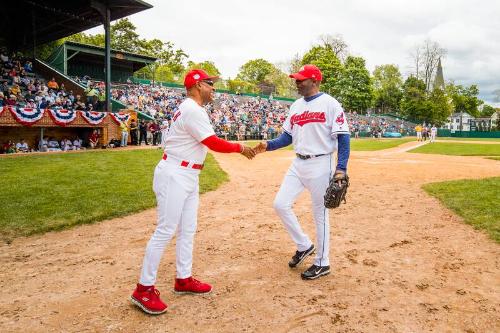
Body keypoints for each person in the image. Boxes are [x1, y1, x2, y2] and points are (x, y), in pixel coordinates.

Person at [130, 69, 256, 315]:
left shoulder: (193, 109)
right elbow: (213, 142)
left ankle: (183, 278)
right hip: (175, 173)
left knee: (187, 229)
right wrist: (241, 147)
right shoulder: (191, 109)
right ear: (198, 86)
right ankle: (143, 289)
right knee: (165, 229)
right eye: (210, 84)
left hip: (188, 173)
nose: (213, 88)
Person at [254, 64, 351, 280]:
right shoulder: (296, 106)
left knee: (320, 214)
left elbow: (344, 137)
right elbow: (287, 137)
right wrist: (267, 145)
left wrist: (341, 168)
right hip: (298, 164)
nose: (296, 83)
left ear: (314, 81)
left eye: (301, 80)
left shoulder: (330, 104)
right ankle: (304, 244)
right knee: (280, 204)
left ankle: (323, 262)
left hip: (321, 163)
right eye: (296, 79)